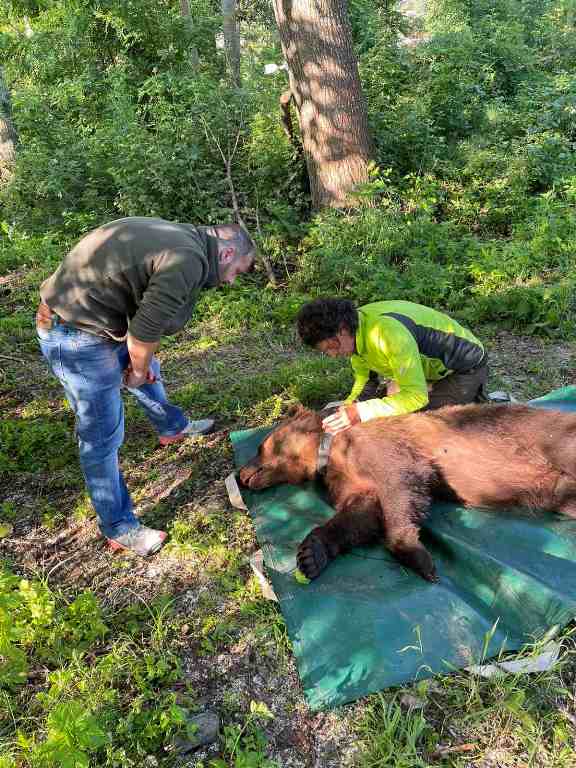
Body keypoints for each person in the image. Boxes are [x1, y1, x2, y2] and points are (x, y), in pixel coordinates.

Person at [36, 217, 256, 556]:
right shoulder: (190, 258)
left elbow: (143, 310)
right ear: (227, 252)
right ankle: (119, 527)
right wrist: (136, 369)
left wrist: (139, 363)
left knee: (146, 363)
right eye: (238, 271)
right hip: (75, 333)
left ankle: (172, 427)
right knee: (101, 435)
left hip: (98, 318)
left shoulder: (188, 240)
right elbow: (145, 331)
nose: (231, 281)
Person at [297, 298, 488, 435]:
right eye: (325, 351)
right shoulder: (357, 333)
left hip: (465, 368)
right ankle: (437, 389)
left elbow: (416, 397)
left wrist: (361, 412)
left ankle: (475, 400)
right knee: (383, 406)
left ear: (342, 330)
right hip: (424, 368)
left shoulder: (387, 333)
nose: (332, 354)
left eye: (331, 346)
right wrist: (350, 407)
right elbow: (365, 380)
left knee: (414, 425)